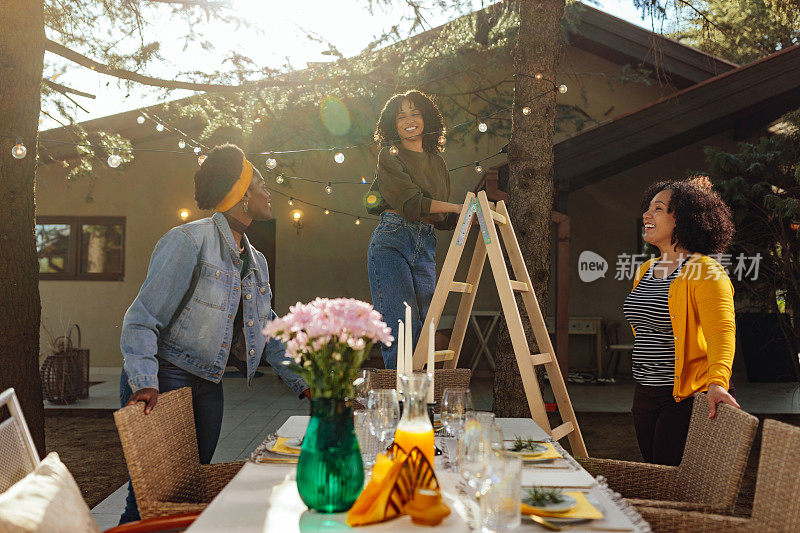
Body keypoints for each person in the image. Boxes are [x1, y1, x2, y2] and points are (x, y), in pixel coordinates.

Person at [117, 143, 309, 523]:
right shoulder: (188, 241)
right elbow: (142, 317)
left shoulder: (255, 261)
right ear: (242, 197)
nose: (269, 194)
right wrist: (143, 380)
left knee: (188, 495)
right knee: (149, 501)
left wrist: (304, 381)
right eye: (262, 186)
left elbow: (266, 328)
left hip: (209, 383)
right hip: (165, 381)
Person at [623, 177, 740, 466]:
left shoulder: (706, 270)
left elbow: (722, 332)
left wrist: (717, 381)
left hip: (685, 396)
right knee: (653, 472)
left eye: (658, 209)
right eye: (648, 209)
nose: (646, 216)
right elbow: (644, 327)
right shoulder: (647, 270)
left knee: (669, 476)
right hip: (644, 391)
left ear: (684, 220)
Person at [367, 90, 463, 369]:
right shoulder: (389, 155)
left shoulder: (437, 161)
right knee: (401, 327)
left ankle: (421, 404)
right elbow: (410, 202)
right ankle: (400, 406)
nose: (408, 121)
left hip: (426, 241)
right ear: (392, 124)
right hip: (393, 239)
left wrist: (468, 216)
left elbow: (441, 216)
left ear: (426, 118)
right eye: (401, 117)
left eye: (415, 113)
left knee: (425, 328)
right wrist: (456, 208)